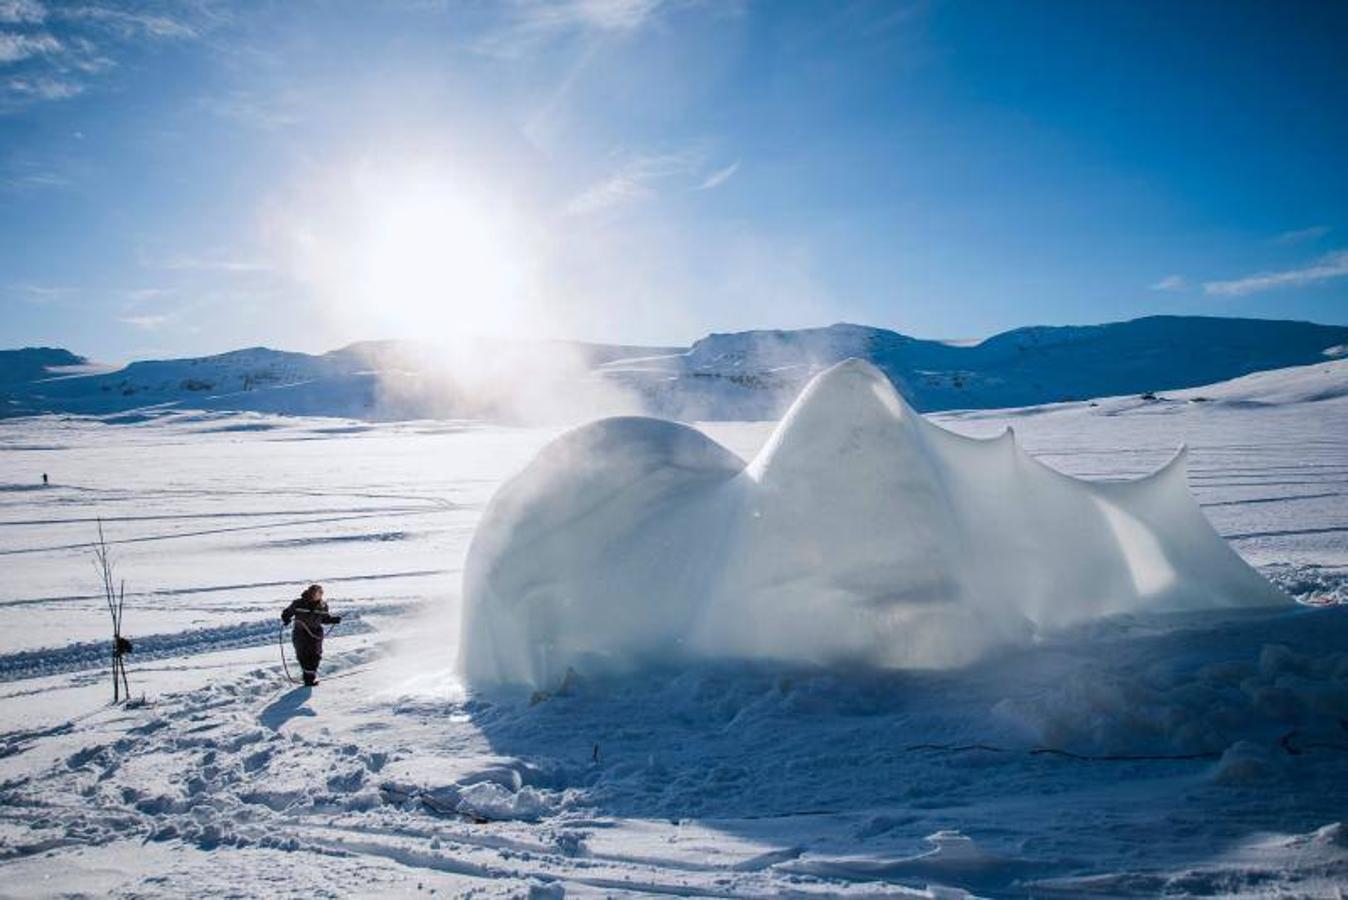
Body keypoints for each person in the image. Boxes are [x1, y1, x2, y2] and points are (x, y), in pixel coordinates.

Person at [281, 583, 341, 686]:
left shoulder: (323, 605)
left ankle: (309, 679)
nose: (316, 595)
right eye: (314, 593)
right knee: (302, 655)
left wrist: (333, 620)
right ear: (309, 593)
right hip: (300, 633)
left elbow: (325, 619)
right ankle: (307, 676)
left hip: (315, 634)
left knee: (315, 656)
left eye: (319, 593)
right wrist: (286, 618)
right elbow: (287, 612)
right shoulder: (298, 603)